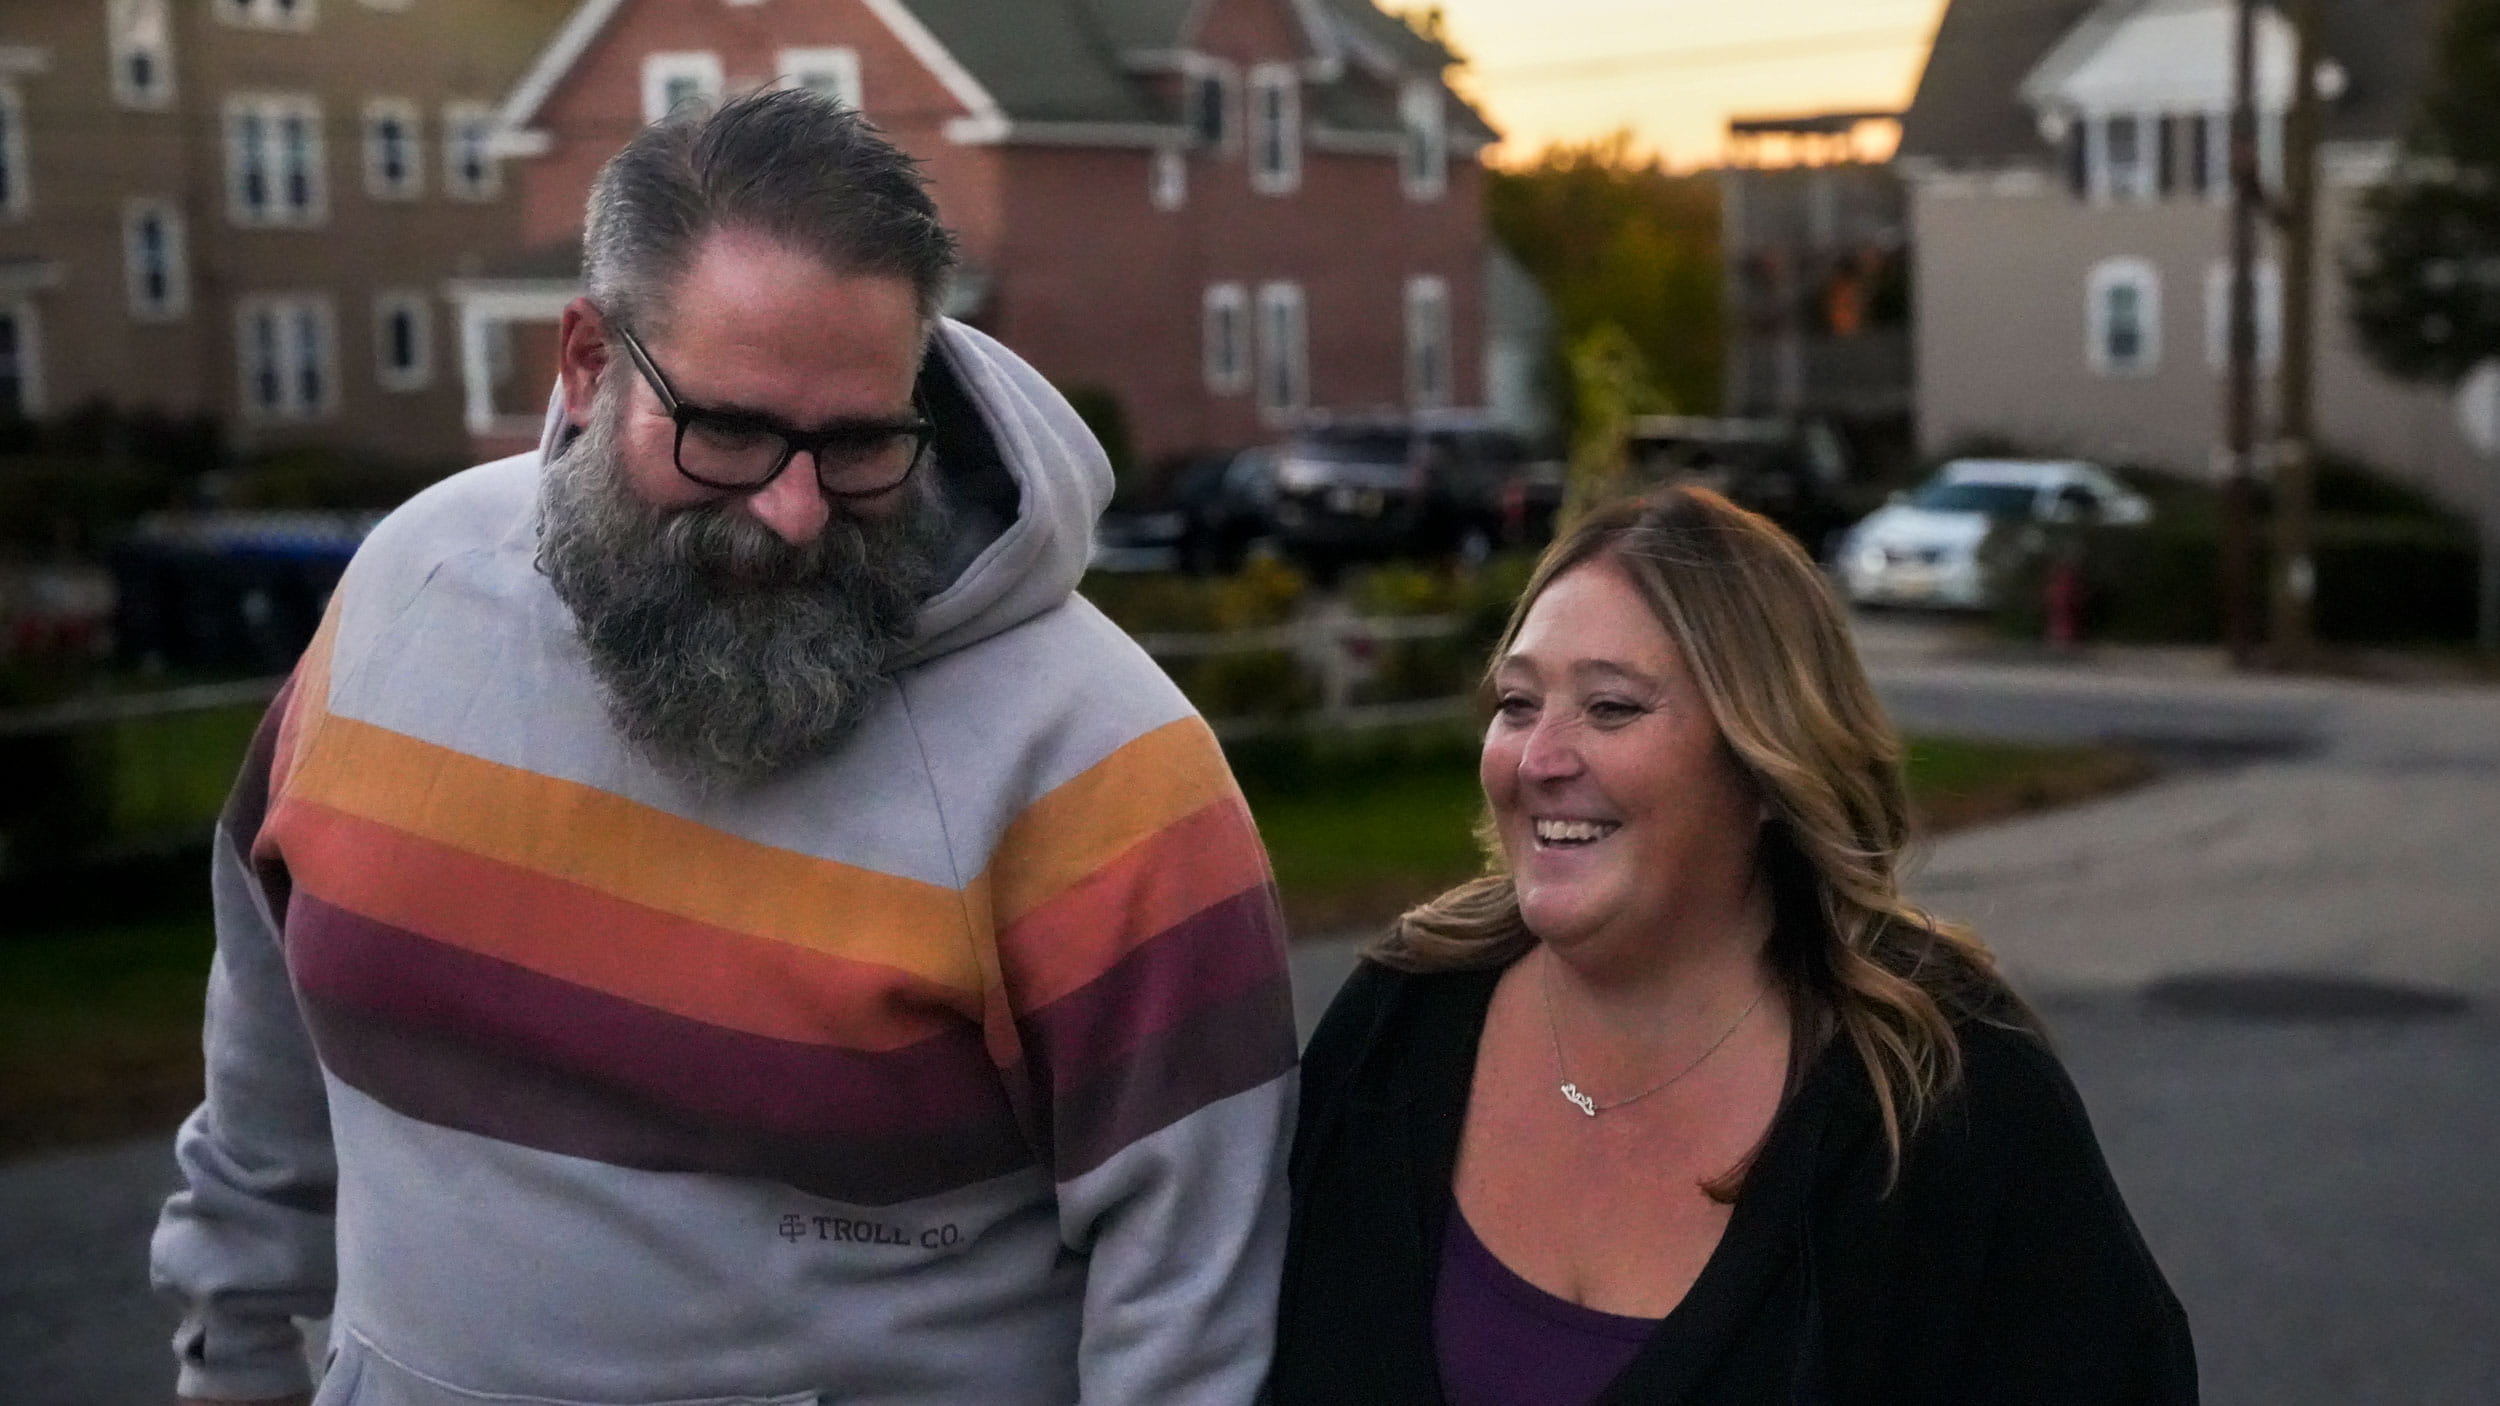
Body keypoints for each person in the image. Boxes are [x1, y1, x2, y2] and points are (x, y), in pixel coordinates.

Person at [152, 89, 1296, 1406]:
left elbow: (1200, 1325)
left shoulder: (1102, 763)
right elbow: (265, 1070)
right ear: (586, 361)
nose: (797, 511)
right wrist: (229, 1350)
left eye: (862, 442)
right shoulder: (408, 590)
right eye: (733, 431)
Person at [1273, 487, 2196, 1404]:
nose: (1538, 759)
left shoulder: (1940, 1087)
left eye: (1612, 708)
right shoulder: (1400, 1022)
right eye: (1518, 703)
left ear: (1764, 767)